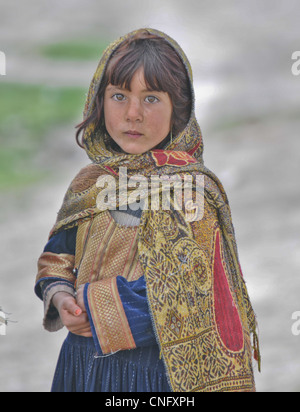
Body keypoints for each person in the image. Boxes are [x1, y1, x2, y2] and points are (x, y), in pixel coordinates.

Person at [35, 28, 260, 392]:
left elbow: (188, 290)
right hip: (83, 369)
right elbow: (57, 256)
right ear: (99, 100)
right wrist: (62, 299)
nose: (133, 113)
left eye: (151, 98)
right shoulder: (89, 183)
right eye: (119, 96)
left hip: (154, 376)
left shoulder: (193, 194)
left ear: (179, 111)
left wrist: (95, 306)